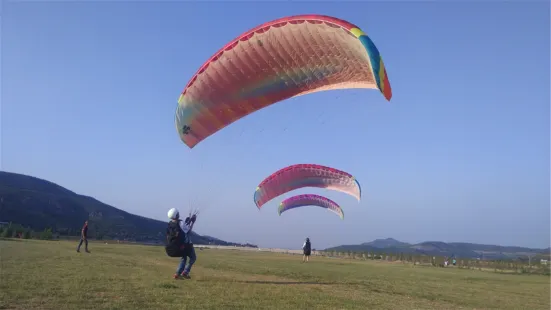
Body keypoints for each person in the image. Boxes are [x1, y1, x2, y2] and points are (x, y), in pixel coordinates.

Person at [166, 208, 197, 279]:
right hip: (185, 245)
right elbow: (188, 231)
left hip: (174, 247)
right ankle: (185, 272)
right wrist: (192, 222)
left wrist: (188, 222)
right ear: (176, 215)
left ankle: (178, 274)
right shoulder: (180, 223)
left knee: (184, 257)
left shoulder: (170, 224)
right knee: (193, 258)